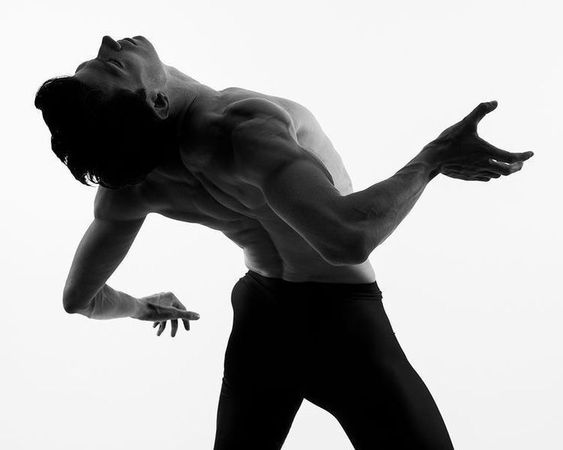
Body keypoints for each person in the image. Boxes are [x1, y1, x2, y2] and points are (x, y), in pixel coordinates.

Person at [34, 35, 534, 449]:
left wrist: (141, 307)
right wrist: (432, 159)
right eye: (114, 64)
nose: (107, 41)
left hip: (261, 320)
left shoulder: (131, 185)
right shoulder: (241, 129)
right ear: (158, 101)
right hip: (346, 330)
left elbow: (81, 299)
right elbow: (347, 238)